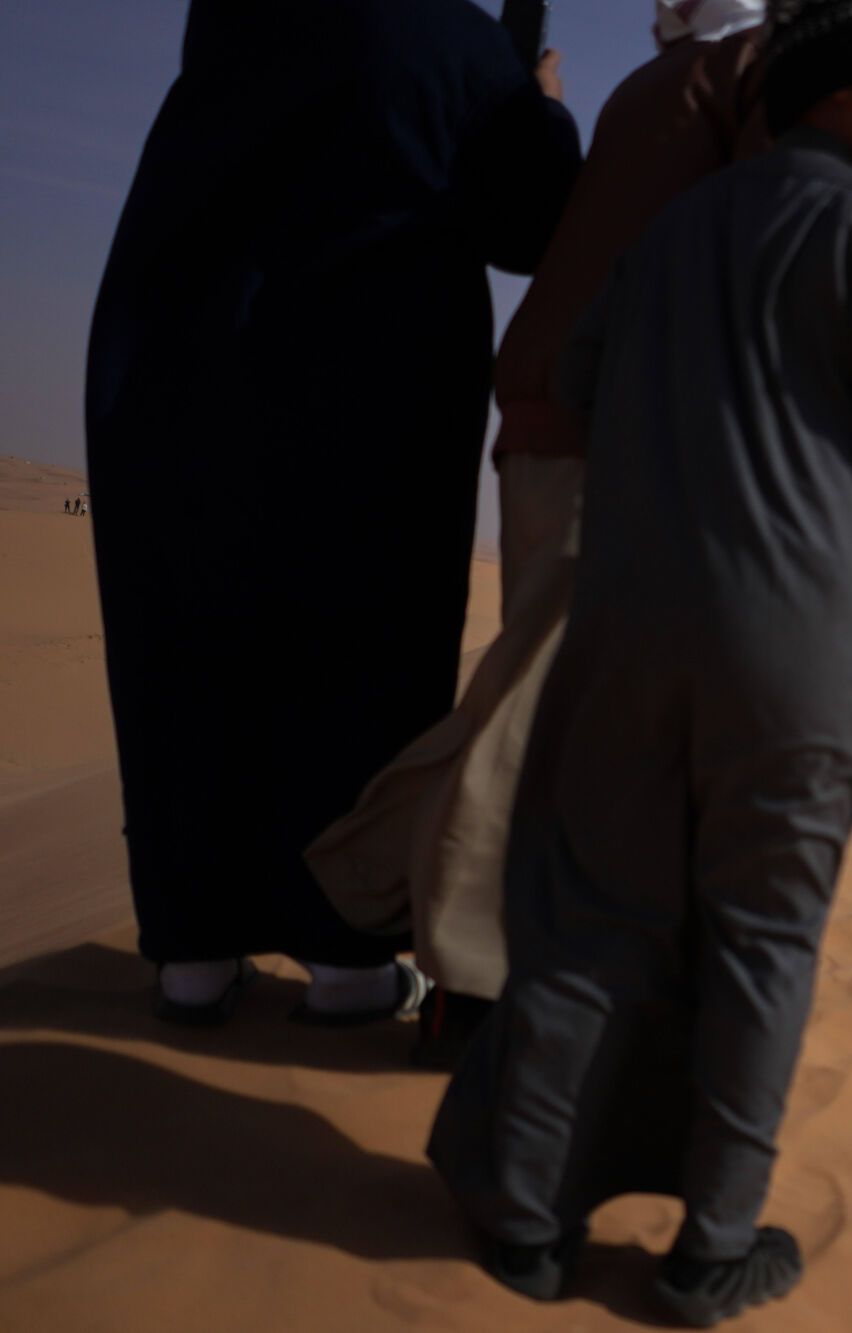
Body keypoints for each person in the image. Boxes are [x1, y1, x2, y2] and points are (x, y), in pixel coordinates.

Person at [427, 0, 852, 1322]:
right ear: (834, 90)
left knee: (587, 920)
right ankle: (711, 1245)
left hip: (629, 633)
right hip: (798, 658)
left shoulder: (674, 229)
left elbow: (581, 357)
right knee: (765, 941)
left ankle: (524, 1219)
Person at [84, 0, 581, 1026]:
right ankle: (346, 963)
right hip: (365, 407)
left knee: (183, 654)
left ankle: (192, 949)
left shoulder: (232, 20)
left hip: (178, 386)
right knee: (359, 660)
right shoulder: (440, 38)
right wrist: (537, 109)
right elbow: (528, 220)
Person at [307, 0, 771, 1071]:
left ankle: (404, 907)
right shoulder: (759, 72)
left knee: (542, 689)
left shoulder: (653, 85)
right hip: (629, 426)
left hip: (547, 415)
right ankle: (449, 961)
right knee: (550, 711)